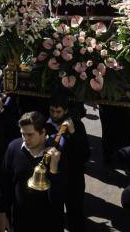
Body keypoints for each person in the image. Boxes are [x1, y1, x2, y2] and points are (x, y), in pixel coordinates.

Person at [0, 111, 66, 232]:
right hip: (20, 222)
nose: (25, 139)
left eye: (30, 134)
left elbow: (58, 199)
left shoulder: (57, 154)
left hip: (48, 224)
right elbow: (5, 184)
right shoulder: (13, 148)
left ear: (43, 132)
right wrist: (2, 214)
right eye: (22, 134)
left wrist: (54, 169)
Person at [47, 94, 90, 232]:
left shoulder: (77, 125)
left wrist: (73, 133)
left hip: (73, 177)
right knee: (54, 214)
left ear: (65, 111)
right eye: (52, 111)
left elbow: (84, 154)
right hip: (54, 177)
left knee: (75, 213)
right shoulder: (45, 125)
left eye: (58, 112)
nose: (55, 115)